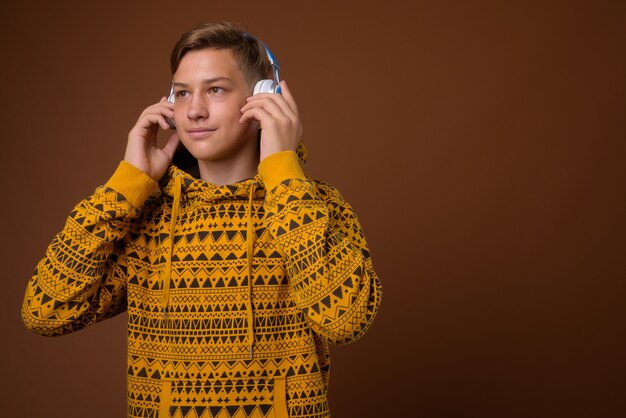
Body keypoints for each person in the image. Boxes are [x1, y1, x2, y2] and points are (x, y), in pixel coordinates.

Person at [22, 21, 382, 418]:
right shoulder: (146, 218)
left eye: (215, 89)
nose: (193, 110)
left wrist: (282, 169)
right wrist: (128, 181)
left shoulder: (316, 205)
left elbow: (345, 319)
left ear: (266, 99)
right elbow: (45, 311)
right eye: (181, 93)